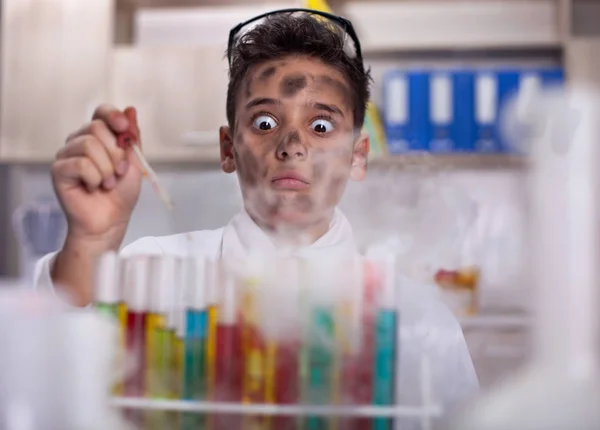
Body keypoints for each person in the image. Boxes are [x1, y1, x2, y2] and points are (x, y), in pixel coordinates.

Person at [34, 9, 479, 427]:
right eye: (265, 122)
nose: (292, 145)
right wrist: (92, 241)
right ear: (229, 149)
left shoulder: (419, 321)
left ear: (358, 157)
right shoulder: (152, 276)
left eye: (320, 126)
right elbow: (44, 381)